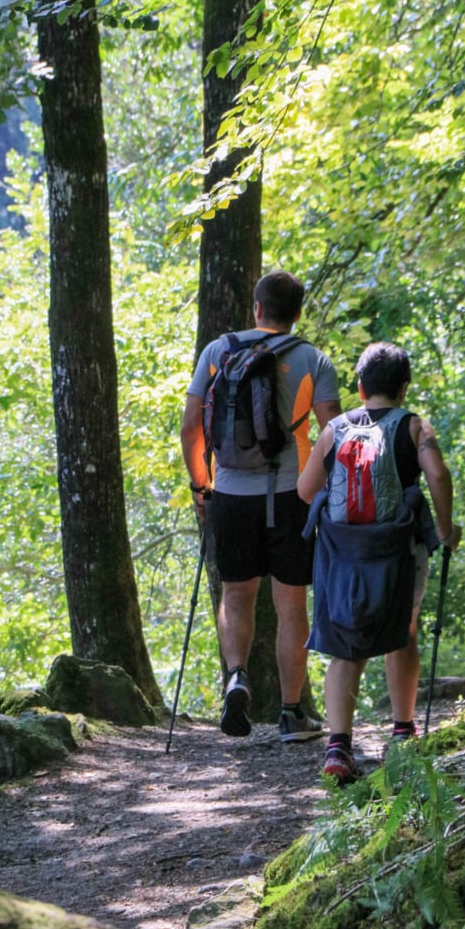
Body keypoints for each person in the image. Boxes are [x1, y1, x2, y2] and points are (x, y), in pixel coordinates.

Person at [180, 269, 342, 742]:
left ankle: (237, 676)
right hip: (292, 495)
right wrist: (326, 495)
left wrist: (201, 487)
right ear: (297, 313)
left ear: (256, 308)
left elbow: (191, 427)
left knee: (235, 595)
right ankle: (292, 714)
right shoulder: (313, 359)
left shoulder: (218, 351)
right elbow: (335, 434)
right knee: (291, 604)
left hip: (229, 493)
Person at [297, 341, 460, 785]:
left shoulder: (335, 429)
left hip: (343, 555)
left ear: (360, 385)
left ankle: (337, 748)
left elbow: (305, 490)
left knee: (345, 645)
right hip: (399, 551)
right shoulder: (414, 428)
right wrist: (445, 531)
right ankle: (403, 733)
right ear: (404, 388)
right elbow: (438, 475)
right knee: (403, 631)